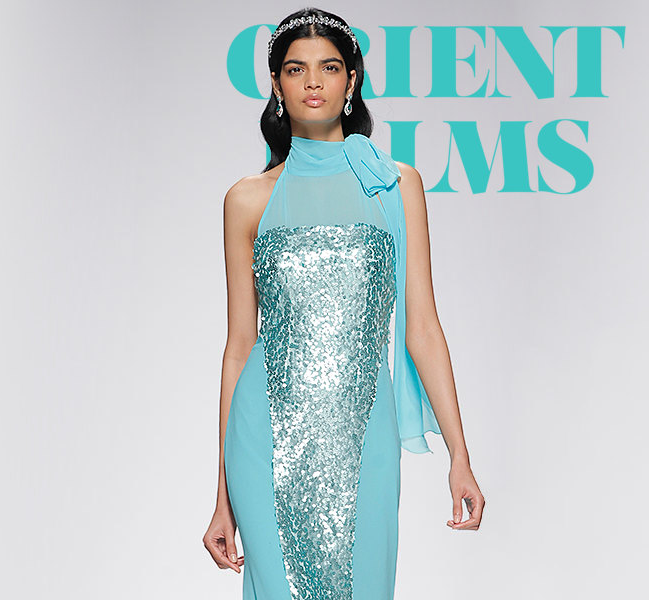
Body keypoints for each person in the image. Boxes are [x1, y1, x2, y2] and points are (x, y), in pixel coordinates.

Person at [202, 8, 485, 599]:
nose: (313, 82)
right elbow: (238, 348)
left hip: (365, 435)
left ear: (351, 81)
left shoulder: (395, 185)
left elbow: (422, 328)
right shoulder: (246, 200)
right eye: (296, 69)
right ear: (276, 84)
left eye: (329, 68)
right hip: (264, 438)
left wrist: (459, 455)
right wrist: (221, 496)